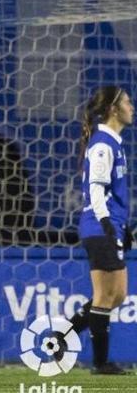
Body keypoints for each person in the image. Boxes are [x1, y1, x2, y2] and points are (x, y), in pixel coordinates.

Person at [60, 86, 133, 375]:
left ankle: (60, 337)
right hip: (99, 227)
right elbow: (95, 190)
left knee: (118, 296)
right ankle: (101, 363)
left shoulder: (113, 142)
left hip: (110, 226)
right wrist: (107, 226)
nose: (132, 107)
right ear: (114, 109)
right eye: (128, 102)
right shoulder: (103, 144)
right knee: (105, 296)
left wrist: (122, 228)